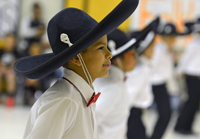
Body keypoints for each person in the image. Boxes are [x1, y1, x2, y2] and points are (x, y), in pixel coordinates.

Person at [13, 1, 139, 138]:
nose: (110, 55)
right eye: (101, 48)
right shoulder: (64, 101)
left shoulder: (80, 96)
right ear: (76, 58)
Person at [93, 29, 138, 139]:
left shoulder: (111, 81)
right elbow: (91, 122)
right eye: (131, 54)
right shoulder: (113, 87)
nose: (136, 58)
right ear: (117, 59)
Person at [150, 22, 189, 139]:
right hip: (155, 85)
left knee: (166, 115)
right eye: (170, 37)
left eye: (174, 37)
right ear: (163, 37)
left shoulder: (167, 50)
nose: (173, 39)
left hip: (162, 84)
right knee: (165, 114)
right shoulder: (157, 51)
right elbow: (150, 68)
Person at [125, 17, 159, 139]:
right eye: (152, 48)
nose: (154, 51)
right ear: (144, 49)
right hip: (132, 112)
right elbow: (130, 94)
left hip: (136, 112)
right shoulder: (141, 69)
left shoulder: (144, 66)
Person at [174, 18, 200, 135]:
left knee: (194, 103)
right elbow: (184, 59)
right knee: (190, 102)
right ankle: (181, 126)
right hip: (191, 77)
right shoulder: (194, 44)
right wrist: (179, 73)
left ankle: (187, 127)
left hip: (196, 77)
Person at [0, 33, 19, 106]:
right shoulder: (1, 51)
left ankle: (10, 97)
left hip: (11, 70)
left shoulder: (16, 52)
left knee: (11, 76)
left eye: (11, 42)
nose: (10, 44)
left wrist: (9, 69)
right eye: (8, 41)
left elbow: (16, 62)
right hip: (2, 69)